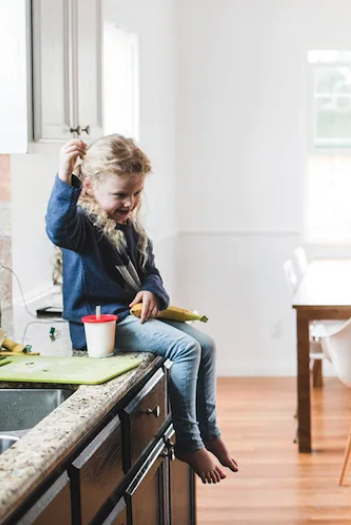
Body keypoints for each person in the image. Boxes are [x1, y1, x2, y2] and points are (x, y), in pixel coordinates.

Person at [46, 135, 238, 484]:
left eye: (136, 193)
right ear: (88, 187)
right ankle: (190, 443)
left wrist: (152, 291)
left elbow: (151, 272)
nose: (130, 202)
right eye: (120, 194)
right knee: (185, 347)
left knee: (205, 344)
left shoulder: (128, 227)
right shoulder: (82, 224)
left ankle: (209, 432)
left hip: (131, 316)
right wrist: (64, 175)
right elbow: (56, 228)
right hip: (100, 323)